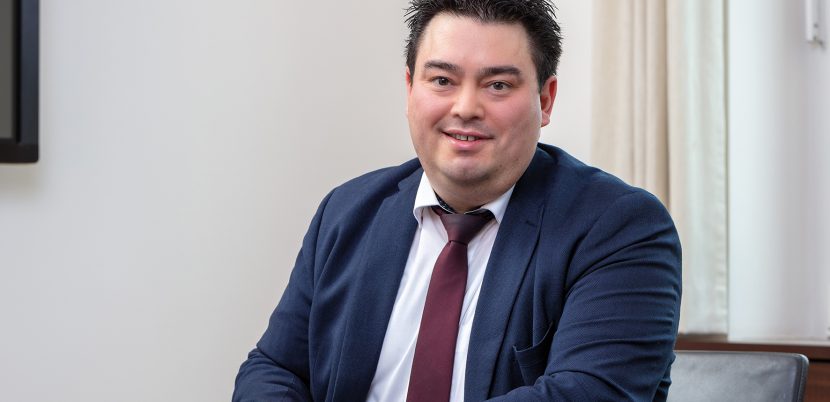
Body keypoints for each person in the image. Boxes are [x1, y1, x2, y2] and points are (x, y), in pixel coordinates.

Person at [233, 0, 681, 401]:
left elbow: (586, 392)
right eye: (442, 80)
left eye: (498, 85)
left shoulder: (621, 228)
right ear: (410, 89)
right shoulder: (348, 211)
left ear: (545, 100)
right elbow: (275, 368)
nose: (465, 107)